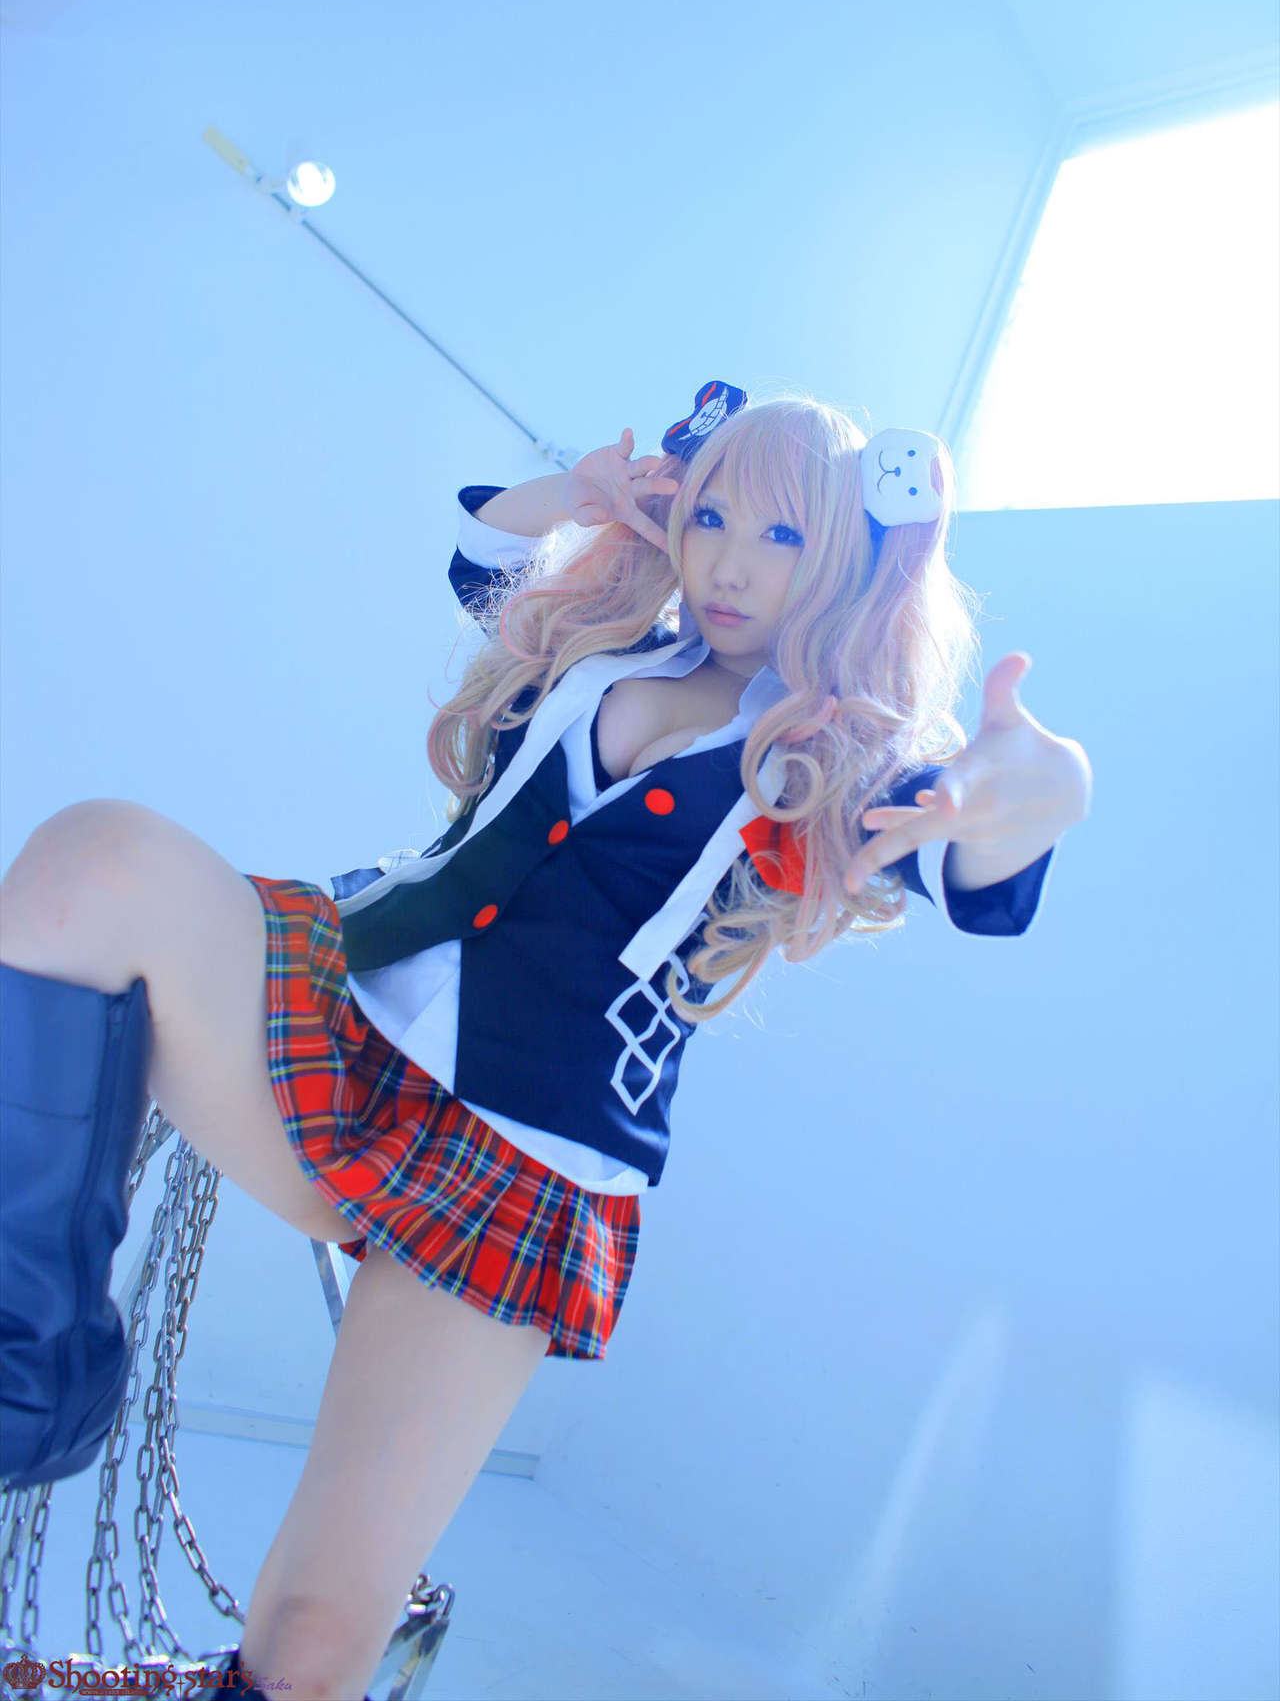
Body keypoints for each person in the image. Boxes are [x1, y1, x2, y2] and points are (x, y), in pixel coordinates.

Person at [0, 384, 1092, 1701]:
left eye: (784, 536)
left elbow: (973, 859)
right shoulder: (605, 647)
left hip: (518, 1167)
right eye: (712, 517)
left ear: (850, 560)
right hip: (341, 1017)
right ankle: (31, 1376)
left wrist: (1035, 792)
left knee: (313, 1646)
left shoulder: (829, 756)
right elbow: (485, 563)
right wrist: (577, 498)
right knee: (89, 863)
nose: (731, 566)